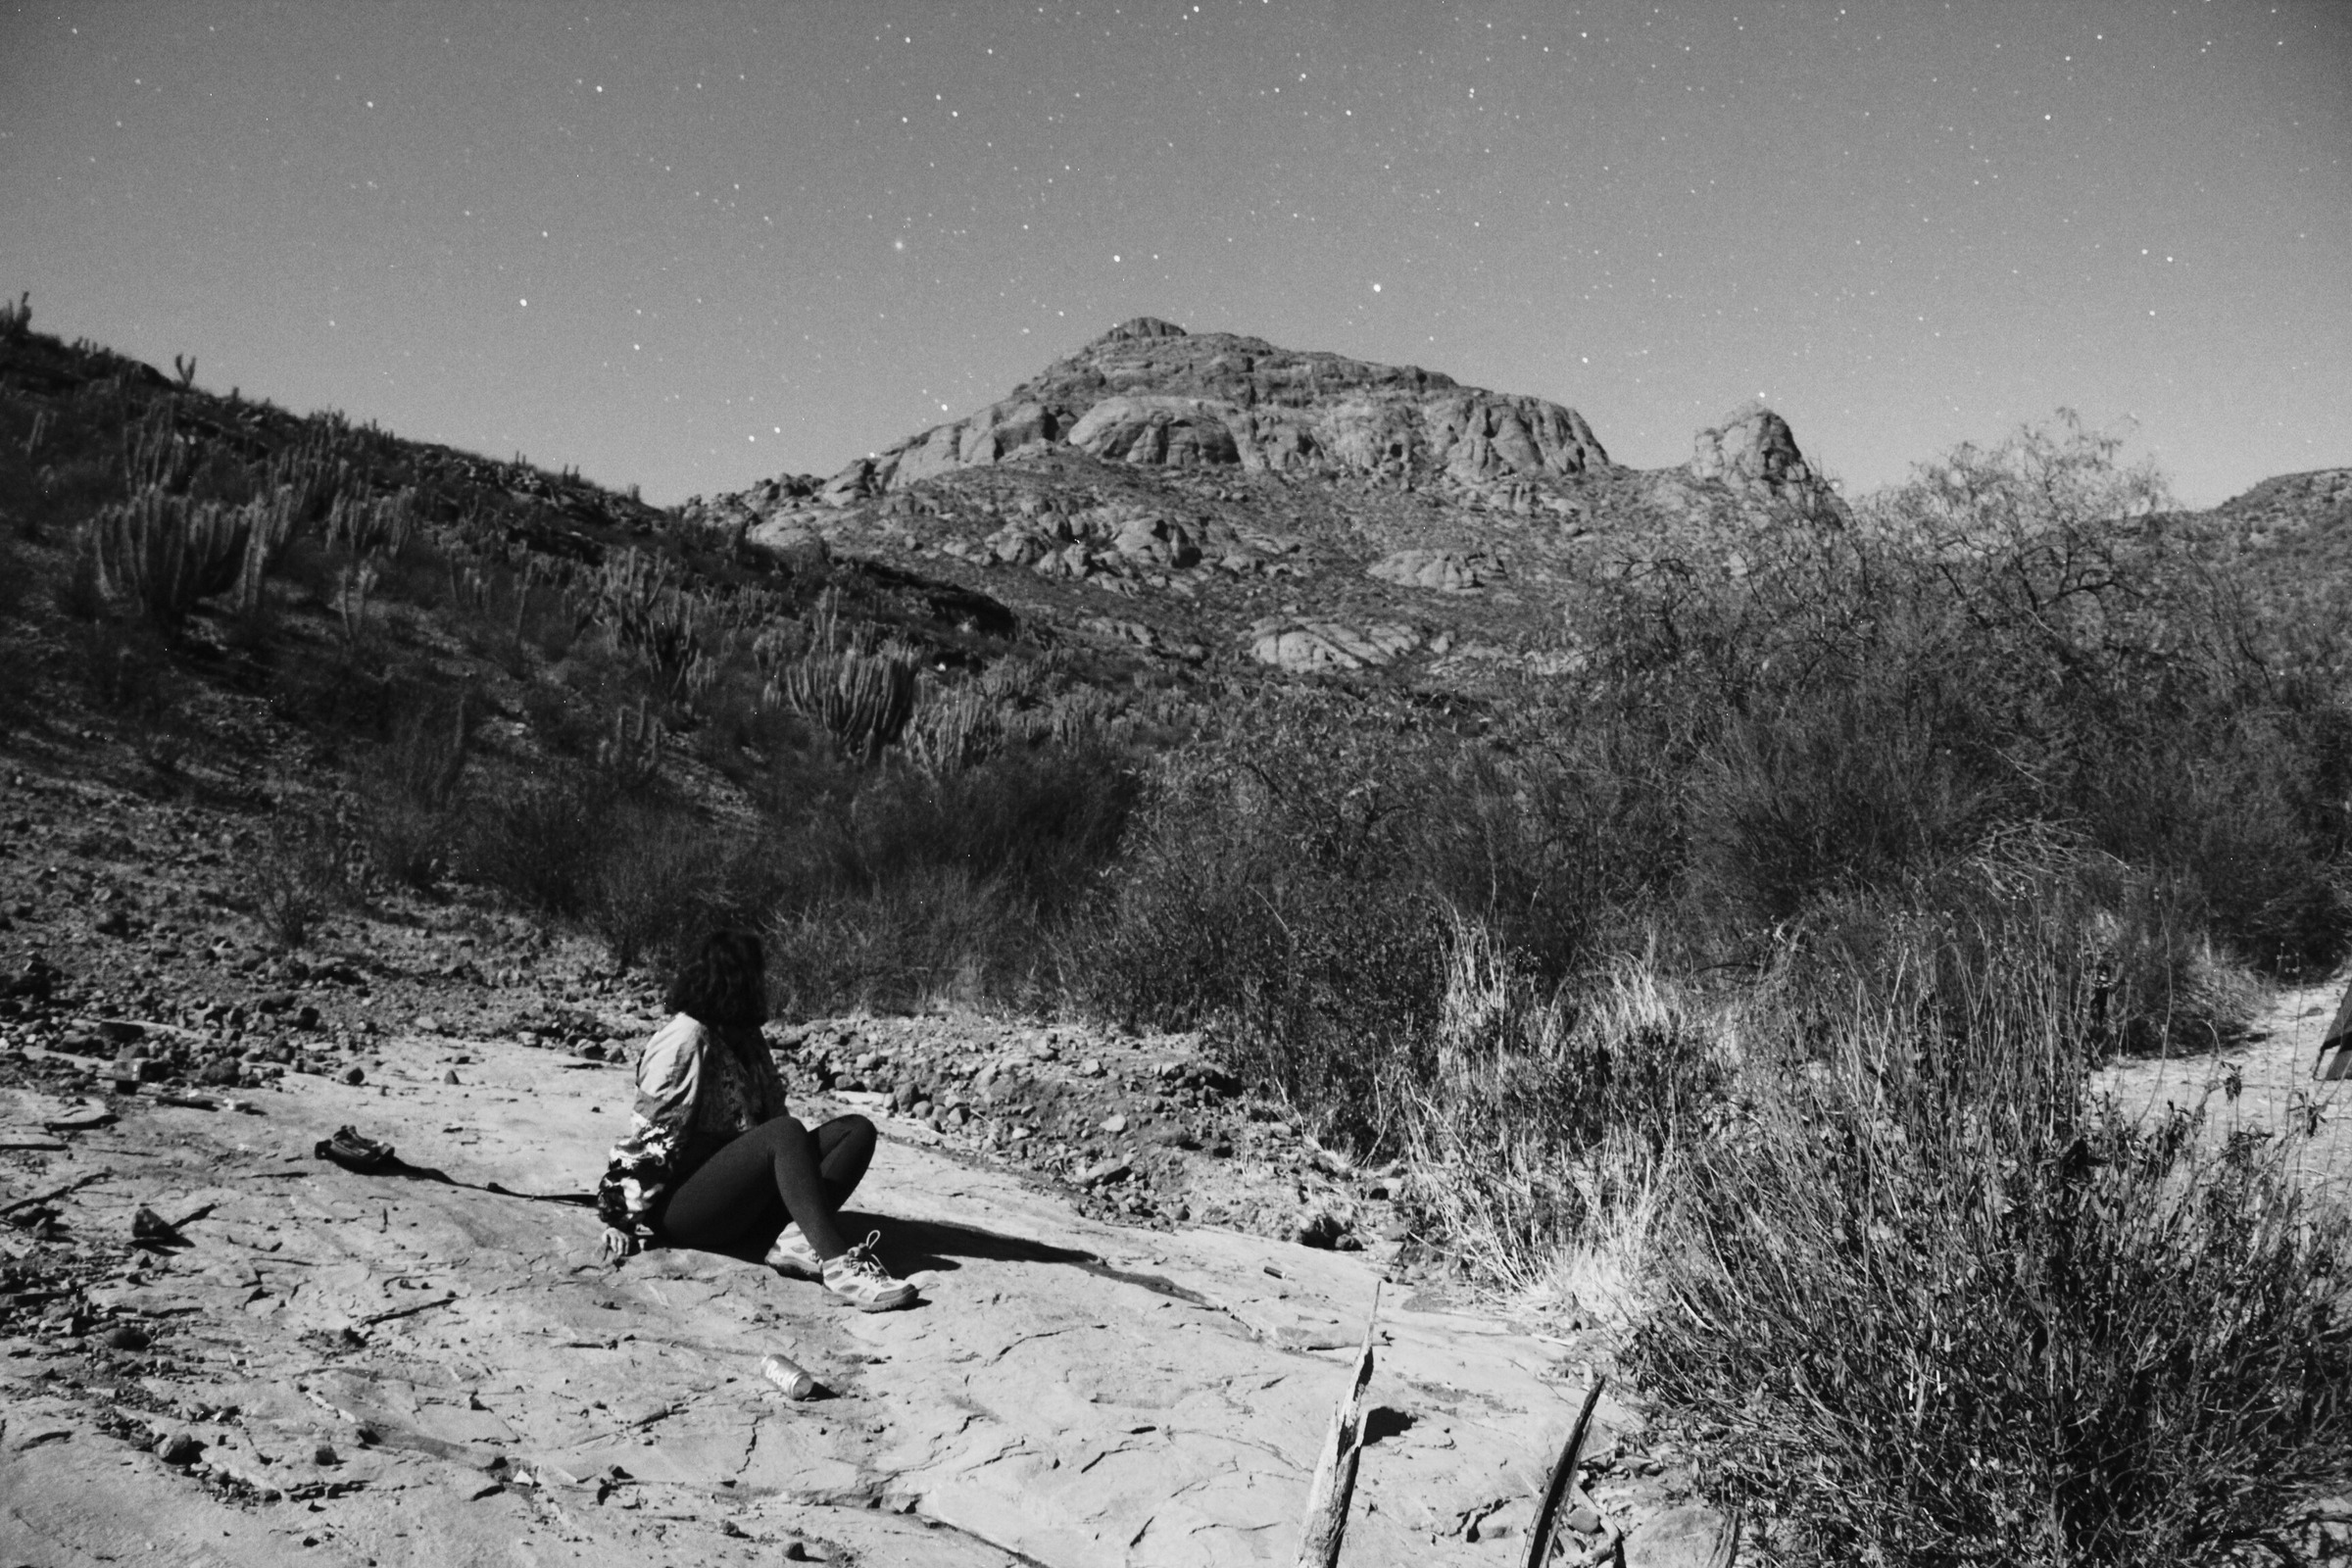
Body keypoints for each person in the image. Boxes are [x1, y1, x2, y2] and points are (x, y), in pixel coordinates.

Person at [596, 930, 917, 1312]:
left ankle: (795, 1241)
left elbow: (775, 1125)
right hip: (686, 1212)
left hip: (739, 1204)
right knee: (784, 1132)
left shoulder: (744, 1036)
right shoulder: (686, 1037)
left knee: (855, 1130)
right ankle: (838, 1266)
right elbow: (652, 1137)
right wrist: (621, 1218)